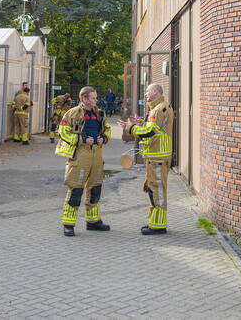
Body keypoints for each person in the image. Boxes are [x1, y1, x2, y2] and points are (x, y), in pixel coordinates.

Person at [56, 86, 111, 236]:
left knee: (95, 189)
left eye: (95, 98)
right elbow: (62, 131)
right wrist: (81, 139)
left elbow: (107, 129)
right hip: (81, 154)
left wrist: (104, 137)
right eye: (93, 98)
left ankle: (93, 221)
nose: (95, 100)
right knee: (75, 189)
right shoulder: (72, 113)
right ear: (84, 99)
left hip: (97, 154)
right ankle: (68, 224)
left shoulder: (99, 113)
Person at [119, 83, 173, 235]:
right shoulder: (159, 107)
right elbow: (154, 127)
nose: (145, 95)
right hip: (155, 156)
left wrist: (129, 128)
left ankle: (159, 226)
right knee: (152, 189)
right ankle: (154, 222)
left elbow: (150, 132)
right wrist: (140, 123)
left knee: (157, 190)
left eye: (148, 92)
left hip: (158, 157)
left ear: (156, 92)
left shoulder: (159, 109)